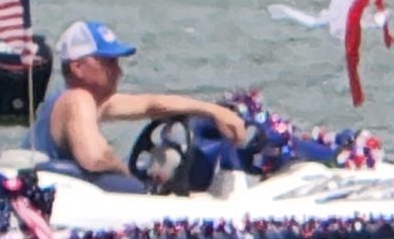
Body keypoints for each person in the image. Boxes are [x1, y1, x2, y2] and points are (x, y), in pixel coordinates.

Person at [30, 20, 246, 190]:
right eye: (108, 63)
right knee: (133, 186)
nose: (118, 71)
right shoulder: (78, 99)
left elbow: (151, 105)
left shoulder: (72, 101)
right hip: (63, 194)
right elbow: (94, 158)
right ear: (77, 67)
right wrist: (126, 172)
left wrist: (215, 111)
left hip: (52, 188)